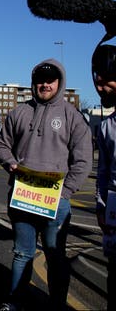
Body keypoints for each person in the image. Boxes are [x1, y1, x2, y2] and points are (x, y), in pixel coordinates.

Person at [0, 59, 92, 311]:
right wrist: (11, 164)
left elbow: (82, 160)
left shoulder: (72, 117)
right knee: (22, 253)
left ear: (60, 82)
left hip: (55, 202)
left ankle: (57, 305)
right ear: (33, 82)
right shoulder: (19, 112)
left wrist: (66, 192)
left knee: (55, 255)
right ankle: (14, 302)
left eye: (50, 80)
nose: (45, 84)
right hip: (22, 198)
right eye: (40, 80)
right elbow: (2, 145)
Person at [92, 43, 116, 311]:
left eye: (105, 81)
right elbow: (104, 172)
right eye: (97, 81)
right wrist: (101, 207)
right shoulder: (107, 126)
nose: (100, 88)